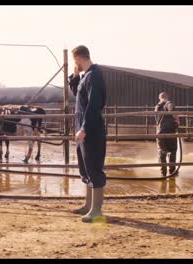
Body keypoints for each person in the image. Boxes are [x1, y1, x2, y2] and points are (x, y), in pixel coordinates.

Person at [68, 45, 107, 223]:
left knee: (94, 168)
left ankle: (96, 210)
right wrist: (75, 77)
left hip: (91, 130)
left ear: (78, 58)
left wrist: (84, 128)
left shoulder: (95, 75)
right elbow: (78, 95)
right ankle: (88, 205)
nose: (75, 64)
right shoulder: (86, 77)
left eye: (75, 61)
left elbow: (94, 105)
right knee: (86, 168)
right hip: (83, 129)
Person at [154, 92, 180, 177]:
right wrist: (177, 120)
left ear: (159, 98)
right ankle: (172, 172)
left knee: (162, 153)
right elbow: (171, 109)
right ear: (167, 97)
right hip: (170, 132)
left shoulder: (157, 107)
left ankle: (163, 173)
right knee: (172, 151)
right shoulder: (169, 103)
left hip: (160, 133)